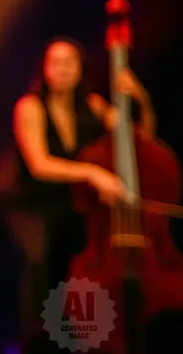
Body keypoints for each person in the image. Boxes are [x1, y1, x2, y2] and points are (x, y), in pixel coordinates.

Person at [8, 36, 157, 336]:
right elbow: (40, 165)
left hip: (81, 212)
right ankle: (45, 335)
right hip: (38, 209)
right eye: (56, 63)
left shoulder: (93, 106)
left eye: (70, 63)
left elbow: (140, 140)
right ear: (45, 69)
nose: (63, 69)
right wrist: (92, 173)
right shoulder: (30, 107)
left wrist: (139, 97)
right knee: (43, 261)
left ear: (80, 69)